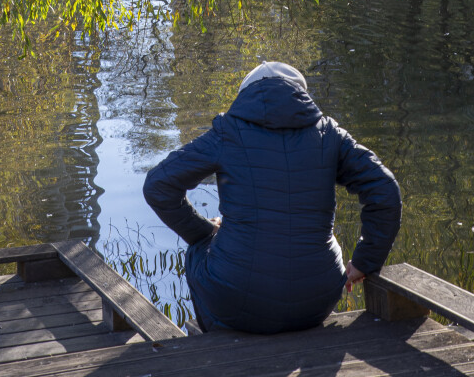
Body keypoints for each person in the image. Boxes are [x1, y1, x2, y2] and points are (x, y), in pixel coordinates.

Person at [143, 60, 401, 334]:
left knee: (198, 248)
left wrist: (205, 233)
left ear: (245, 95)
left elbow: (158, 185)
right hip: (317, 300)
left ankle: (216, 337)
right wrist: (365, 260)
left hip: (238, 294)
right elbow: (385, 190)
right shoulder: (329, 135)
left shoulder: (228, 133)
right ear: (301, 95)